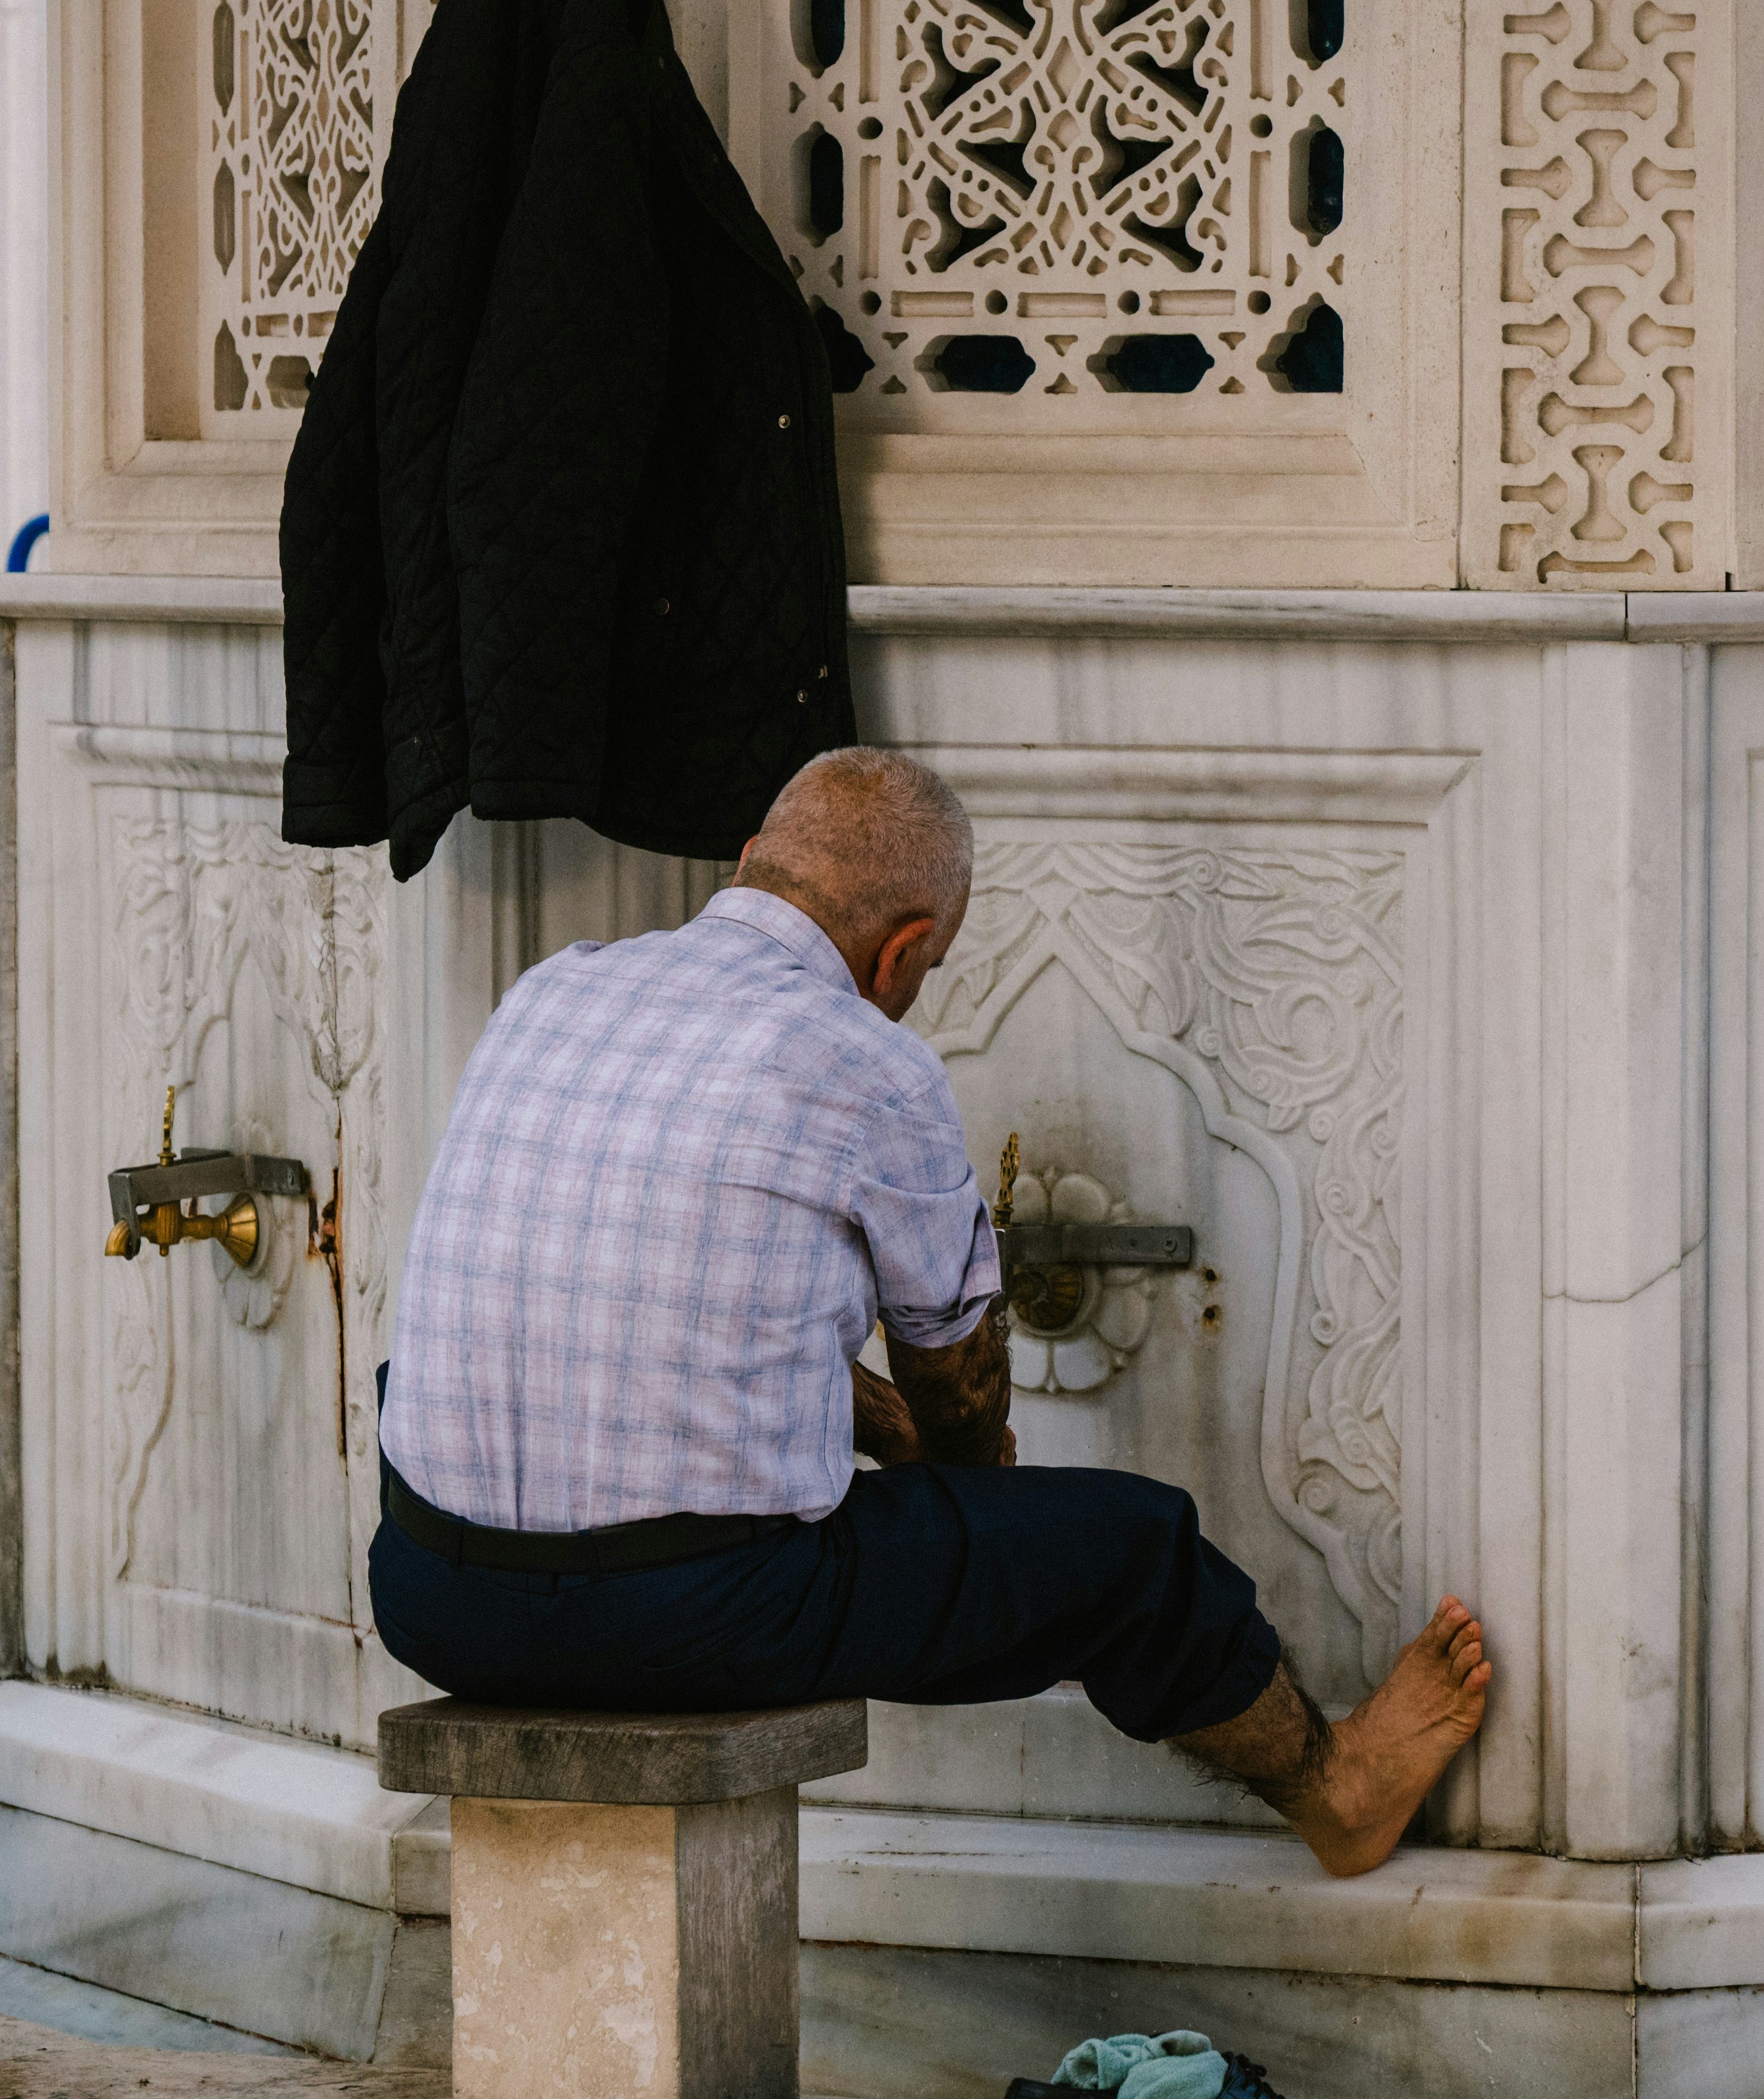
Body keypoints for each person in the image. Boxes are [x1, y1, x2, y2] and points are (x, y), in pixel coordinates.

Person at [368, 747, 1492, 1876]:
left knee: (427, 1380)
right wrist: (960, 1484)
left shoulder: (557, 987)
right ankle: (1341, 1791)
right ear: (902, 950)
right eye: (929, 966)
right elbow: (957, 1393)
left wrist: (881, 1432)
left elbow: (642, 1319)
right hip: (697, 1617)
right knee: (1136, 1551)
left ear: (753, 862)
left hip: (431, 1597)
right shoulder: (868, 1059)